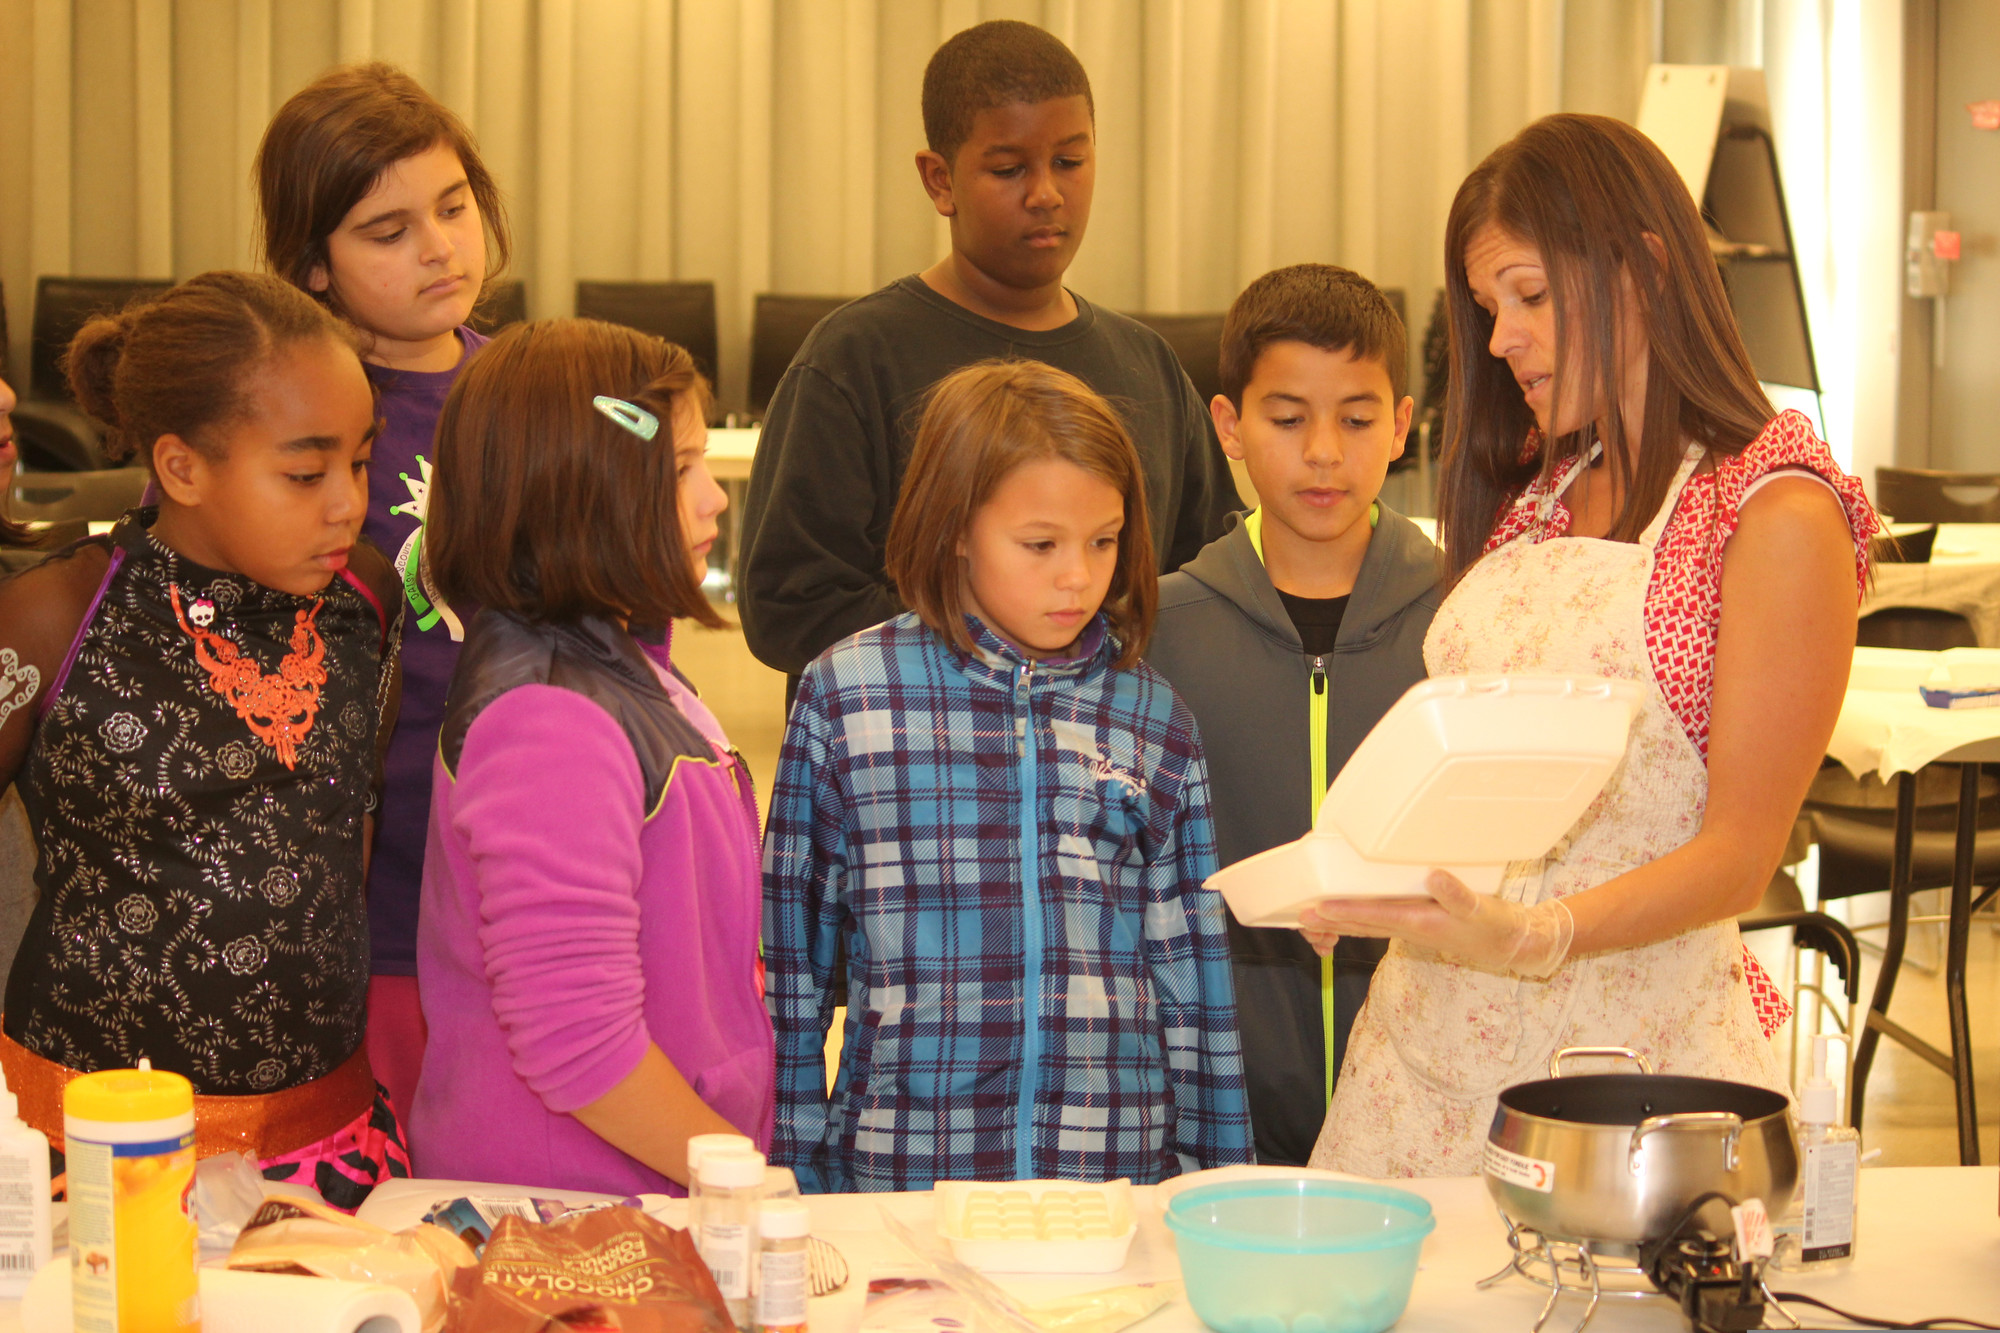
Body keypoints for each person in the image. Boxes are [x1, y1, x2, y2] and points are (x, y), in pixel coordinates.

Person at [1299, 114, 1877, 1177]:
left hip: (1628, 1083)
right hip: (1418, 1059)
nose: (1498, 339)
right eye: (1485, 309)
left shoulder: (1769, 511)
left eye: (1525, 295)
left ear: (1643, 270)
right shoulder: (1543, 490)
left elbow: (1739, 854)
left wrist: (1536, 934)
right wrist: (1370, 871)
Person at [763, 358, 1251, 1193]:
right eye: (1040, 543)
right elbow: (789, 977)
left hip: (1111, 1182)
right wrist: (793, 1184)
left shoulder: (1152, 716)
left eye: (1105, 540)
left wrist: (1213, 1189)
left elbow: (1194, 980)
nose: (1078, 575)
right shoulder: (848, 697)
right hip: (904, 1177)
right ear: (956, 525)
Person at [0, 272, 407, 1205]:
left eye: (360, 461)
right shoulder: (57, 614)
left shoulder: (365, 603)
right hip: (87, 1159)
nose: (346, 502)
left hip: (325, 1147)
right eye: (306, 473)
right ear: (182, 468)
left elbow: (348, 836)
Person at [738, 19, 1239, 683]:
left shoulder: (1147, 366)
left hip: (1102, 770)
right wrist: (1002, 655)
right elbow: (788, 603)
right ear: (939, 180)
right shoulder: (854, 359)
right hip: (915, 770)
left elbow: (1203, 581)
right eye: (1008, 169)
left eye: (1070, 161)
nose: (1046, 194)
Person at [408, 320, 772, 1197]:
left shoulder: (613, 659)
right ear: (583, 491)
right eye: (682, 469)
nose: (716, 498)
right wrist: (748, 1187)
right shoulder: (547, 719)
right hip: (571, 1210)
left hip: (637, 1187)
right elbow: (580, 1045)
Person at [257, 62, 511, 1121]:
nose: (438, 247)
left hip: (514, 873)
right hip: (358, 899)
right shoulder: (272, 423)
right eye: (387, 229)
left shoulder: (535, 397)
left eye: (452, 207)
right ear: (313, 265)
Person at [1146, 265, 1438, 1167]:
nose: (1323, 451)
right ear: (1229, 425)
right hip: (1212, 1116)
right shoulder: (1159, 632)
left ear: (1402, 424)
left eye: (1356, 419)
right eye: (1287, 418)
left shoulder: (1464, 622)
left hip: (1427, 1109)